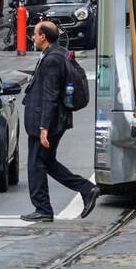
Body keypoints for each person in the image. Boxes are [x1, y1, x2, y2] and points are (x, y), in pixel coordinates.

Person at [20, 21, 98, 222]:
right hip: (52, 120)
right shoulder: (59, 53)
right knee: (47, 162)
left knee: (36, 164)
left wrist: (44, 127)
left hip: (47, 121)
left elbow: (50, 95)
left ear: (43, 36)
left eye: (35, 34)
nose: (33, 37)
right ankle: (86, 189)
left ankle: (43, 209)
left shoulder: (52, 59)